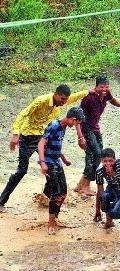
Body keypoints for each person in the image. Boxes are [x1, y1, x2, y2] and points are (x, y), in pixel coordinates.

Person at [0, 84, 91, 213]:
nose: (64, 102)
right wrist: (15, 134)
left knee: (50, 167)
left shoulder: (60, 102)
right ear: (56, 94)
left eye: (66, 100)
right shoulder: (41, 101)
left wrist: (88, 91)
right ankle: (1, 201)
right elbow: (23, 114)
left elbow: (73, 98)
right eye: (62, 99)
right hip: (27, 136)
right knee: (21, 171)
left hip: (42, 135)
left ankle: (45, 198)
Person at [74, 75, 120, 196]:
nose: (104, 89)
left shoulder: (106, 93)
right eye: (101, 87)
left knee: (98, 154)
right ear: (96, 87)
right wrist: (80, 137)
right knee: (95, 154)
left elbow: (112, 100)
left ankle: (80, 185)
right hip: (86, 128)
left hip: (95, 128)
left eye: (106, 87)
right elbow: (77, 118)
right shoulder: (88, 98)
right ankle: (85, 186)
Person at [38, 107, 86, 234]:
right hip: (49, 161)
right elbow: (41, 143)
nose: (76, 126)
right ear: (73, 119)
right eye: (76, 123)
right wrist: (42, 163)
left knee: (62, 192)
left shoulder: (63, 127)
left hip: (57, 161)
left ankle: (49, 209)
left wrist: (64, 159)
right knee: (58, 193)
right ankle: (50, 223)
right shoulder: (54, 126)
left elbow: (56, 145)